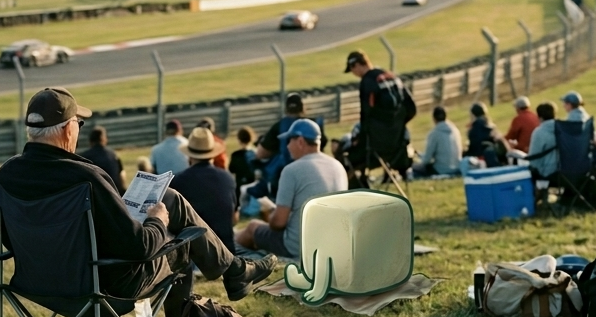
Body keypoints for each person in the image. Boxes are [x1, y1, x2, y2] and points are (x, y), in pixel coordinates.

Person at [0, 87, 276, 317]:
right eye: (78, 124)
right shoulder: (85, 178)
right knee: (182, 245)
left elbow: (9, 239)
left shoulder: (5, 176)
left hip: (38, 285)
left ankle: (236, 271)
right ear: (68, 130)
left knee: (170, 197)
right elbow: (139, 248)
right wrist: (157, 220)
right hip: (104, 289)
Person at [236, 119, 348, 259]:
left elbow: (278, 223)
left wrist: (270, 213)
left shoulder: (292, 170)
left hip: (299, 246)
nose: (287, 146)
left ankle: (226, 256)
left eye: (290, 141)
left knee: (252, 227)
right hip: (331, 244)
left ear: (300, 141)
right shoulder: (337, 166)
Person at [345, 50, 417, 176]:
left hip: (375, 149)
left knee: (346, 158)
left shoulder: (367, 82)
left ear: (356, 65)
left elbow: (365, 116)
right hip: (398, 148)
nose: (354, 74)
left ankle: (358, 190)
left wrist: (360, 140)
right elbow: (411, 109)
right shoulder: (392, 77)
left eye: (352, 70)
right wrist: (397, 125)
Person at [170, 127, 238, 252]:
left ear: (189, 155)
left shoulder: (177, 181)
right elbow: (234, 218)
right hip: (226, 249)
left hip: (193, 251)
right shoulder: (227, 178)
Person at [412, 106, 462, 178]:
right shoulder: (455, 130)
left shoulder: (435, 134)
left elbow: (427, 160)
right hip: (456, 168)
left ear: (434, 118)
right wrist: (419, 154)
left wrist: (417, 157)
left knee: (415, 169)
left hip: (441, 170)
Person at [80, 127, 126, 193]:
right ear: (104, 139)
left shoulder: (84, 157)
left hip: (96, 195)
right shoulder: (113, 154)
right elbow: (121, 175)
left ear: (90, 140)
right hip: (115, 193)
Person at [465, 103, 507, 167]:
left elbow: (474, 149)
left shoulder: (474, 129)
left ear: (473, 115)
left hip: (482, 156)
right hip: (497, 156)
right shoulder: (491, 126)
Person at [526, 102, 559, 180]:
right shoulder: (564, 129)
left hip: (548, 172)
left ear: (539, 117)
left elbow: (534, 159)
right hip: (566, 170)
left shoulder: (539, 132)